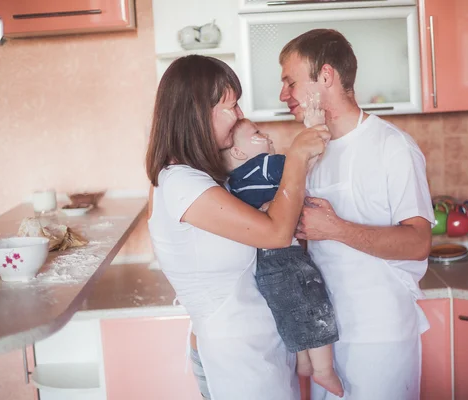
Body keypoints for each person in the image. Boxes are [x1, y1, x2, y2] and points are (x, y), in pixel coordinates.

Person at [145, 54, 330, 400]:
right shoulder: (181, 183)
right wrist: (296, 158)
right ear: (199, 112)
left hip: (258, 346)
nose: (241, 116)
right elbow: (275, 233)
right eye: (232, 106)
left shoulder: (204, 178)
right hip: (236, 359)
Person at [279, 29, 434, 399]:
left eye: (290, 82)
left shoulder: (392, 147)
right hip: (325, 340)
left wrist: (334, 228)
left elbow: (418, 242)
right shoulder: (309, 149)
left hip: (379, 336)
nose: (283, 95)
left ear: (327, 76)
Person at [222, 118, 343, 397]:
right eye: (256, 133)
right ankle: (324, 371)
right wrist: (312, 146)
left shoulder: (233, 184)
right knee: (315, 305)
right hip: (285, 256)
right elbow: (298, 169)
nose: (265, 135)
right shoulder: (264, 165)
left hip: (262, 263)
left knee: (290, 309)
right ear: (239, 152)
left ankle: (303, 361)